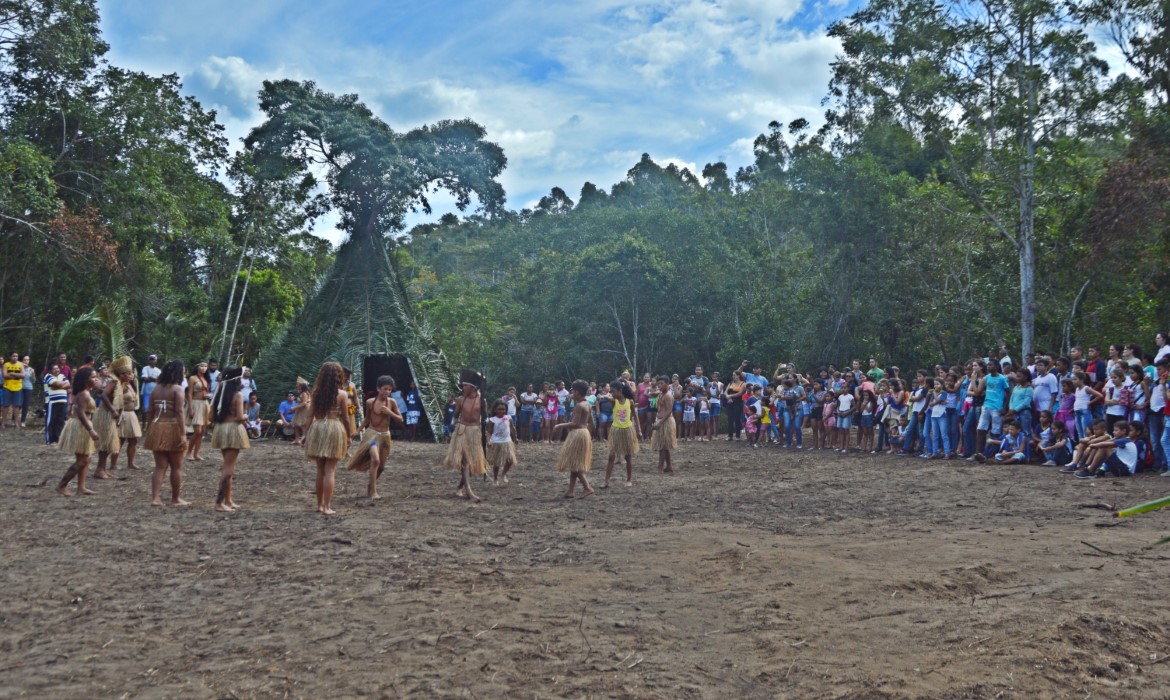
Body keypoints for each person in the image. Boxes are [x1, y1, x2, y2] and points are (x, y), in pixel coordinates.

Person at [303, 362, 352, 514]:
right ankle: (327, 506)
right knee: (330, 470)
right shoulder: (342, 394)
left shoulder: (316, 392)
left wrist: (306, 435)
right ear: (338, 376)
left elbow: (310, 416)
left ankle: (319, 505)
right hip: (334, 429)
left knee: (320, 470)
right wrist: (349, 436)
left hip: (318, 428)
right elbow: (345, 418)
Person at [348, 375, 403, 500]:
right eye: (385, 389)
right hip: (372, 435)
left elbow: (401, 419)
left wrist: (390, 413)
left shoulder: (392, 403)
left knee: (381, 466)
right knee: (376, 460)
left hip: (385, 437)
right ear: (378, 389)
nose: (387, 392)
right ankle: (373, 491)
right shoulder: (370, 402)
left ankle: (370, 486)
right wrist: (357, 431)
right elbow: (367, 419)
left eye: (390, 390)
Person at [142, 360, 189, 505]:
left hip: (157, 427)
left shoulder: (156, 389)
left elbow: (150, 411)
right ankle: (175, 498)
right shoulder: (177, 389)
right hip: (173, 427)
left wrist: (150, 429)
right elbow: (179, 412)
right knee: (177, 466)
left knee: (160, 466)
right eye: (183, 371)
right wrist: (183, 433)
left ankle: (155, 498)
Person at [210, 367, 250, 512]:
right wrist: (245, 416)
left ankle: (229, 500)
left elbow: (211, 417)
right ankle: (219, 502)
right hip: (233, 429)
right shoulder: (237, 395)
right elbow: (240, 417)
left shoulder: (219, 393)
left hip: (221, 429)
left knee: (229, 468)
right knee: (228, 469)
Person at [55, 367, 100, 496]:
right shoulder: (84, 394)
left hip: (83, 425)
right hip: (81, 426)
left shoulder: (85, 392)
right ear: (86, 379)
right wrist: (91, 430)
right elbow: (80, 413)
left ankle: (81, 487)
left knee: (87, 458)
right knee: (82, 460)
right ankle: (61, 485)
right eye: (92, 377)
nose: (95, 379)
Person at [445, 372, 488, 502]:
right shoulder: (460, 400)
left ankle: (460, 487)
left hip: (475, 432)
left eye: (465, 386)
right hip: (462, 431)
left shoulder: (482, 401)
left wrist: (486, 425)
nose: (463, 388)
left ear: (473, 387)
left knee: (470, 462)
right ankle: (469, 492)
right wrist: (452, 426)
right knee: (465, 461)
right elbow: (455, 415)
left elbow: (485, 416)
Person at [93, 357, 133, 478]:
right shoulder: (114, 382)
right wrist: (112, 410)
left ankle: (102, 469)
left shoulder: (121, 384)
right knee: (105, 443)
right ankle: (99, 469)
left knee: (109, 443)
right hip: (105, 414)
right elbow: (104, 395)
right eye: (129, 373)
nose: (131, 375)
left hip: (111, 415)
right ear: (122, 374)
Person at [554, 380, 595, 498]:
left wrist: (560, 425)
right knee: (574, 462)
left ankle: (587, 487)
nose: (572, 393)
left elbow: (575, 423)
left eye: (573, 391)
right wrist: (589, 435)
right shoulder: (587, 404)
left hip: (578, 433)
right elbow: (591, 422)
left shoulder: (579, 406)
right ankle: (570, 491)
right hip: (584, 433)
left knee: (575, 464)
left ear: (577, 392)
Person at [604, 381, 641, 487]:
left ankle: (629, 480)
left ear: (620, 391)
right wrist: (605, 395)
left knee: (628, 457)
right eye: (611, 391)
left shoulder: (630, 402)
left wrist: (639, 431)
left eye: (614, 391)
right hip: (616, 430)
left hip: (627, 430)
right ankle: (606, 481)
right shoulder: (613, 401)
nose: (612, 393)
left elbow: (635, 416)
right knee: (611, 456)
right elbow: (607, 397)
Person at [487, 399, 518, 486]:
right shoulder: (492, 420)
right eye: (500, 409)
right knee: (496, 463)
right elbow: (489, 432)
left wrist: (515, 438)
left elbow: (512, 428)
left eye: (504, 409)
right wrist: (488, 441)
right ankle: (495, 478)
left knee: (510, 460)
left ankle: (503, 474)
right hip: (496, 442)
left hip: (507, 441)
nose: (502, 411)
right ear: (495, 410)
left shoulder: (508, 418)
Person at [650, 375, 677, 473]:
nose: (660, 386)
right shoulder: (661, 395)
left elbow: (669, 411)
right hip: (661, 420)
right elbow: (659, 408)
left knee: (663, 446)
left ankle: (660, 468)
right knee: (664, 445)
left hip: (666, 422)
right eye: (659, 384)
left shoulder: (669, 396)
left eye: (662, 384)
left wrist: (660, 422)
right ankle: (669, 466)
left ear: (667, 384)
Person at [186, 361, 211, 461]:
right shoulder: (192, 378)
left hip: (204, 404)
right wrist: (190, 408)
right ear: (197, 367)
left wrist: (208, 395)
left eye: (205, 366)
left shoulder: (206, 379)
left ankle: (197, 453)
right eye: (201, 366)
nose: (204, 368)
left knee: (202, 432)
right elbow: (189, 394)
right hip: (196, 404)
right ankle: (189, 452)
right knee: (197, 431)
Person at [43, 362, 69, 445]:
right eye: (54, 369)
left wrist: (57, 387)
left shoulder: (62, 376)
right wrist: (61, 385)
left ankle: (57, 439)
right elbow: (56, 383)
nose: (56, 370)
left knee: (60, 421)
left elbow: (68, 385)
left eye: (57, 368)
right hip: (52, 402)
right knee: (51, 421)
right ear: (50, 370)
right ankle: (49, 440)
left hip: (63, 401)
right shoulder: (48, 376)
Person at [2, 351, 24, 428]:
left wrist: (11, 374)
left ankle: (16, 423)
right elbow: (5, 375)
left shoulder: (20, 365)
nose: (15, 357)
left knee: (16, 406)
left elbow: (23, 375)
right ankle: (3, 422)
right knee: (6, 405)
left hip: (18, 387)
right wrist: (17, 375)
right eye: (13, 356)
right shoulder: (6, 365)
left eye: (16, 356)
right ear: (10, 357)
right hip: (7, 386)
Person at [292, 378, 312, 446]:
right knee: (296, 424)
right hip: (300, 409)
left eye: (298, 384)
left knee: (303, 425)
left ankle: (303, 439)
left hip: (304, 409)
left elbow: (304, 403)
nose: (296, 385)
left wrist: (294, 408)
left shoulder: (304, 393)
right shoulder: (302, 392)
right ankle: (297, 439)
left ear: (301, 385)